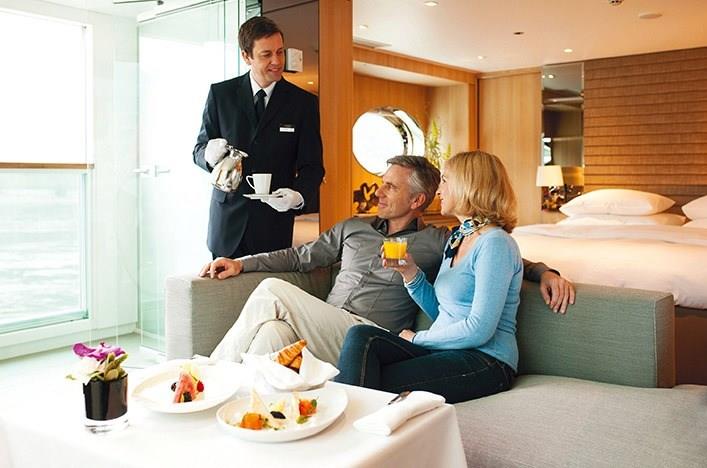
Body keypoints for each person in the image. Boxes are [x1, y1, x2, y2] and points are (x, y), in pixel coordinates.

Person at [199, 155, 575, 366]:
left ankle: (208, 375)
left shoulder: (439, 242)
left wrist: (545, 272)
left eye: (391, 186)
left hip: (369, 336)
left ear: (417, 200)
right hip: (325, 325)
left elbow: (498, 256)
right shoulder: (353, 227)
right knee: (271, 334)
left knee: (271, 292)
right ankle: (241, 426)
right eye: (382, 182)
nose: (378, 192)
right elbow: (300, 257)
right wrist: (243, 263)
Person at [335, 151, 523, 403]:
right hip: (446, 351)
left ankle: (342, 423)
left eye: (445, 180)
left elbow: (480, 330)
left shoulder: (495, 243)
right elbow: (442, 312)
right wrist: (410, 273)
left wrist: (417, 338)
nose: (439, 190)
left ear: (468, 185)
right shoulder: (458, 238)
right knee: (362, 336)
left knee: (367, 379)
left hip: (486, 360)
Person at [193, 16, 324, 258]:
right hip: (227, 224)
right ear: (246, 56)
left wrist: (298, 196)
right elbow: (199, 150)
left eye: (280, 52)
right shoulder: (221, 95)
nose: (277, 61)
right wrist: (208, 155)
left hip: (273, 226)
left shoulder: (303, 103)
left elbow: (313, 166)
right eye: (266, 55)